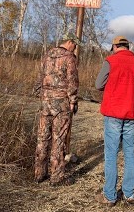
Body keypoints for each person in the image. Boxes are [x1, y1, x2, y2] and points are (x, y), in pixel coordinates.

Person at [95, 35, 134, 206]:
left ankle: (110, 196)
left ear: (115, 47)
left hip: (113, 113)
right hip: (132, 114)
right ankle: (129, 194)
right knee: (130, 152)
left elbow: (98, 85)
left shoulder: (110, 61)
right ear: (128, 47)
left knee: (111, 154)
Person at [34, 32, 81, 186]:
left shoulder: (47, 55)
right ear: (69, 42)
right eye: (74, 44)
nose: (75, 47)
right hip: (61, 103)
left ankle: (39, 174)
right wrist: (73, 100)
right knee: (58, 138)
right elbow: (72, 81)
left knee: (42, 137)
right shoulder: (69, 58)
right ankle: (57, 177)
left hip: (45, 102)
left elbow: (40, 77)